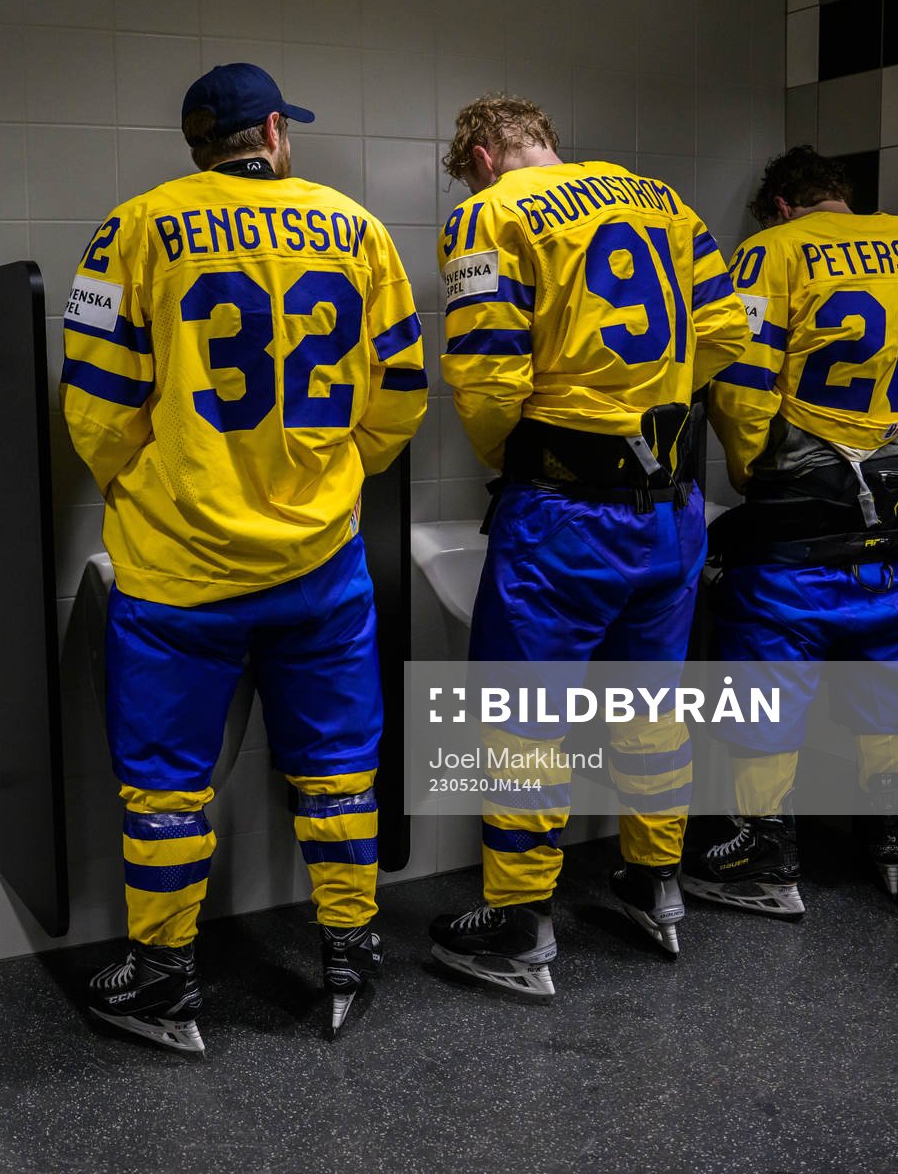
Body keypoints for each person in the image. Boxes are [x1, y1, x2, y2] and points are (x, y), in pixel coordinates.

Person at [62, 63, 428, 1051]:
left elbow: (93, 409)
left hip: (178, 577)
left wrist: (158, 489)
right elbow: (400, 395)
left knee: (169, 787)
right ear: (273, 130)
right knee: (342, 768)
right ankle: (352, 953)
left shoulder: (129, 229)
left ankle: (166, 980)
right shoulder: (361, 232)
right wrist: (332, 472)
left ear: (197, 143)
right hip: (322, 569)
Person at [431, 96, 751, 993]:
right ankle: (658, 887)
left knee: (523, 724)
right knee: (653, 709)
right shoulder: (664, 202)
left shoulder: (489, 215)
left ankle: (524, 925)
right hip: (672, 509)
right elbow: (728, 332)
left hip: (565, 513)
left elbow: (488, 375)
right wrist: (649, 409)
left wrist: (526, 454)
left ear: (486, 157)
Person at [687, 146, 898, 911]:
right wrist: (892, 437)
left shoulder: (770, 251)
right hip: (891, 538)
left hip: (797, 540)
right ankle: (888, 849)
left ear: (782, 205)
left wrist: (758, 469)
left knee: (765, 696)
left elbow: (744, 385)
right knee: (888, 687)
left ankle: (765, 857)